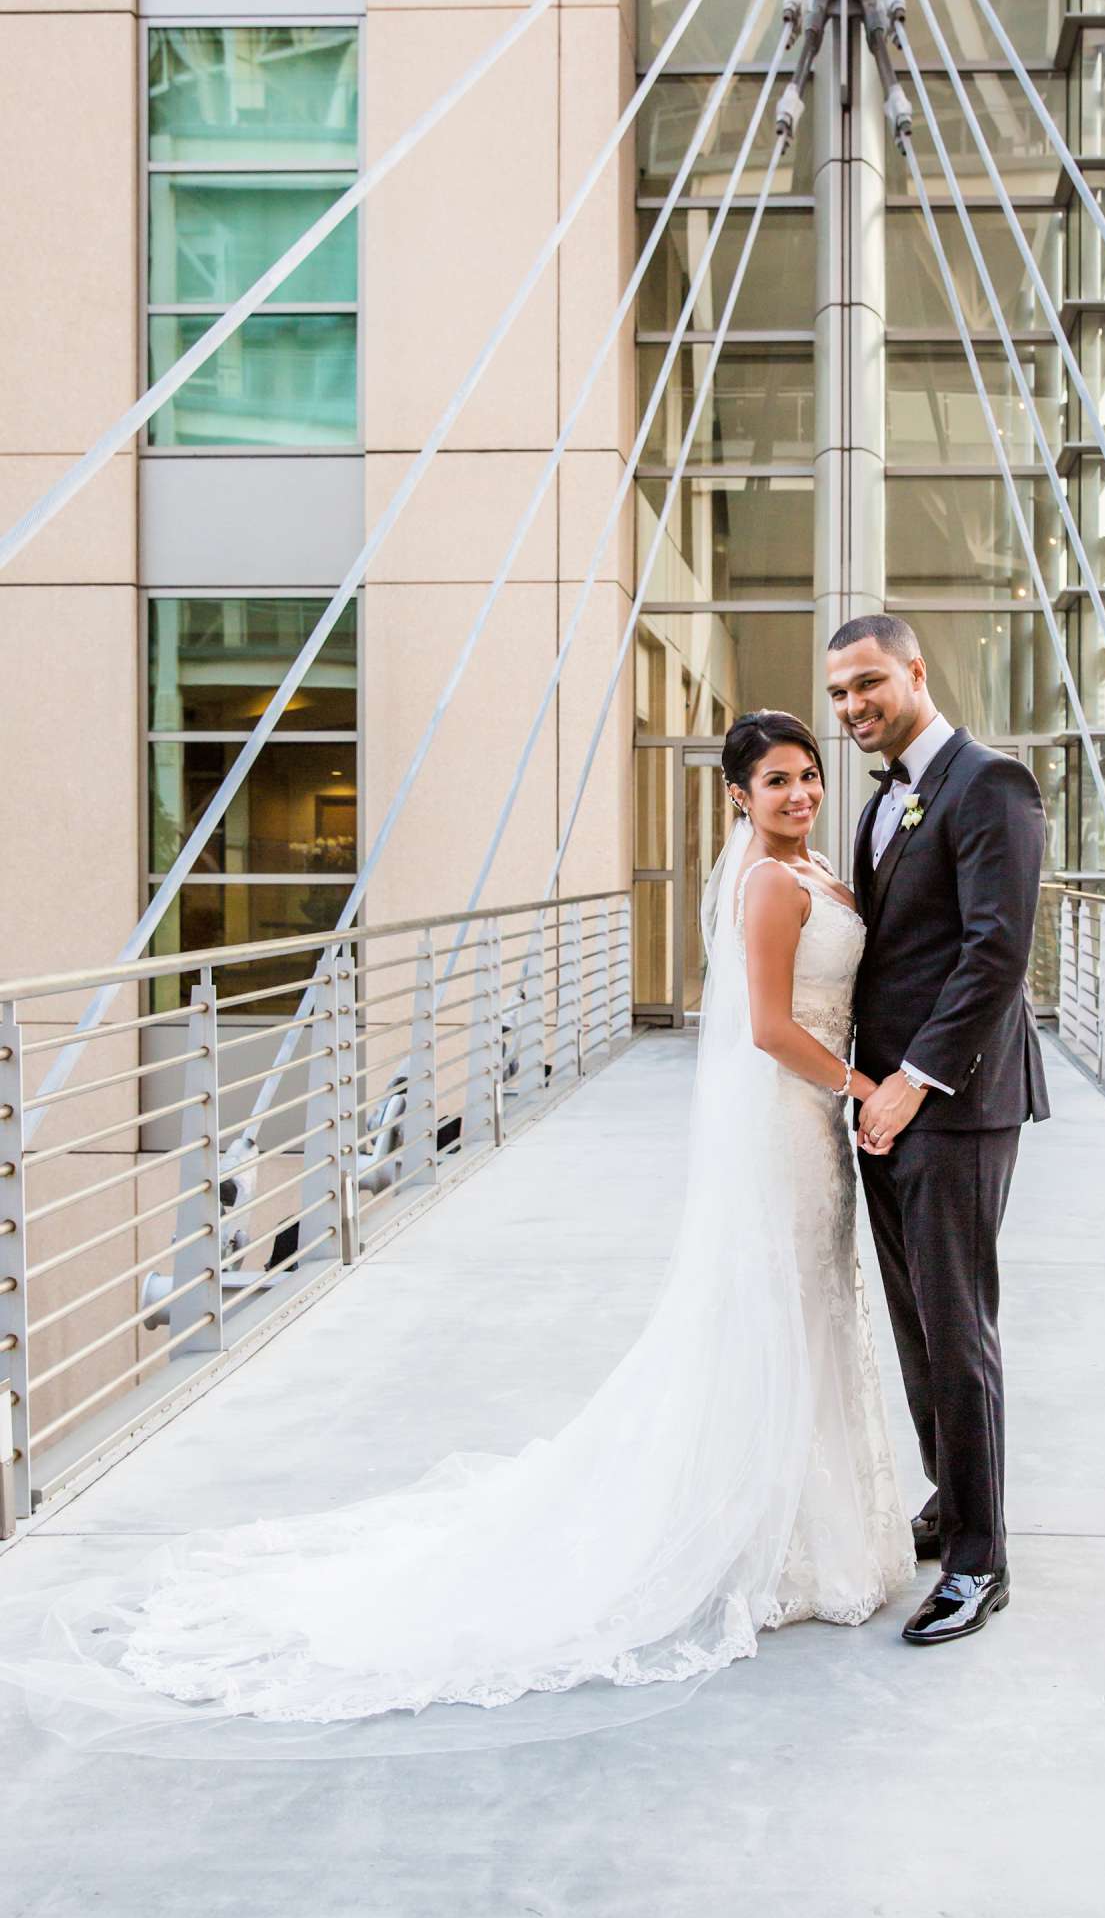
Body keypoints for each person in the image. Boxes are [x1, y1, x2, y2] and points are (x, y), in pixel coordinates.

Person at [0, 710, 911, 1747]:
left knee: (812, 1308)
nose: (798, 796)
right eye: (776, 782)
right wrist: (861, 1086)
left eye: (807, 778)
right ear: (738, 797)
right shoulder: (764, 882)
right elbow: (766, 1026)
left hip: (816, 1131)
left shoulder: (822, 871)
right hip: (787, 1128)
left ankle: (812, 1516)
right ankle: (766, 1534)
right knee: (773, 1312)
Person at [826, 615, 1049, 1647]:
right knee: (915, 1325)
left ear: (917, 670)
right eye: (837, 695)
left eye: (867, 683)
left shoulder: (988, 783)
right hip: (883, 1101)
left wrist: (912, 1084)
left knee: (957, 1331)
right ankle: (950, 1501)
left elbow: (995, 956)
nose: (852, 707)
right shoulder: (883, 804)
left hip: (951, 1104)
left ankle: (979, 1560)